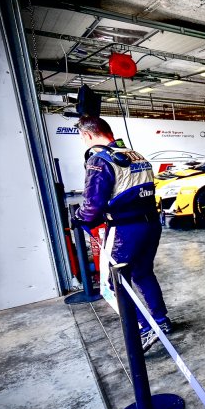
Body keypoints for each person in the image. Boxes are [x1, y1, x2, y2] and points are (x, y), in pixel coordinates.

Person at [73, 117, 171, 352]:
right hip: (151, 224)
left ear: (87, 135)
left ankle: (145, 328)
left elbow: (92, 207)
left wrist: (78, 216)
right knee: (143, 273)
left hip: (124, 229)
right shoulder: (137, 155)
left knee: (112, 283)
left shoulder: (99, 160)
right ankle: (161, 321)